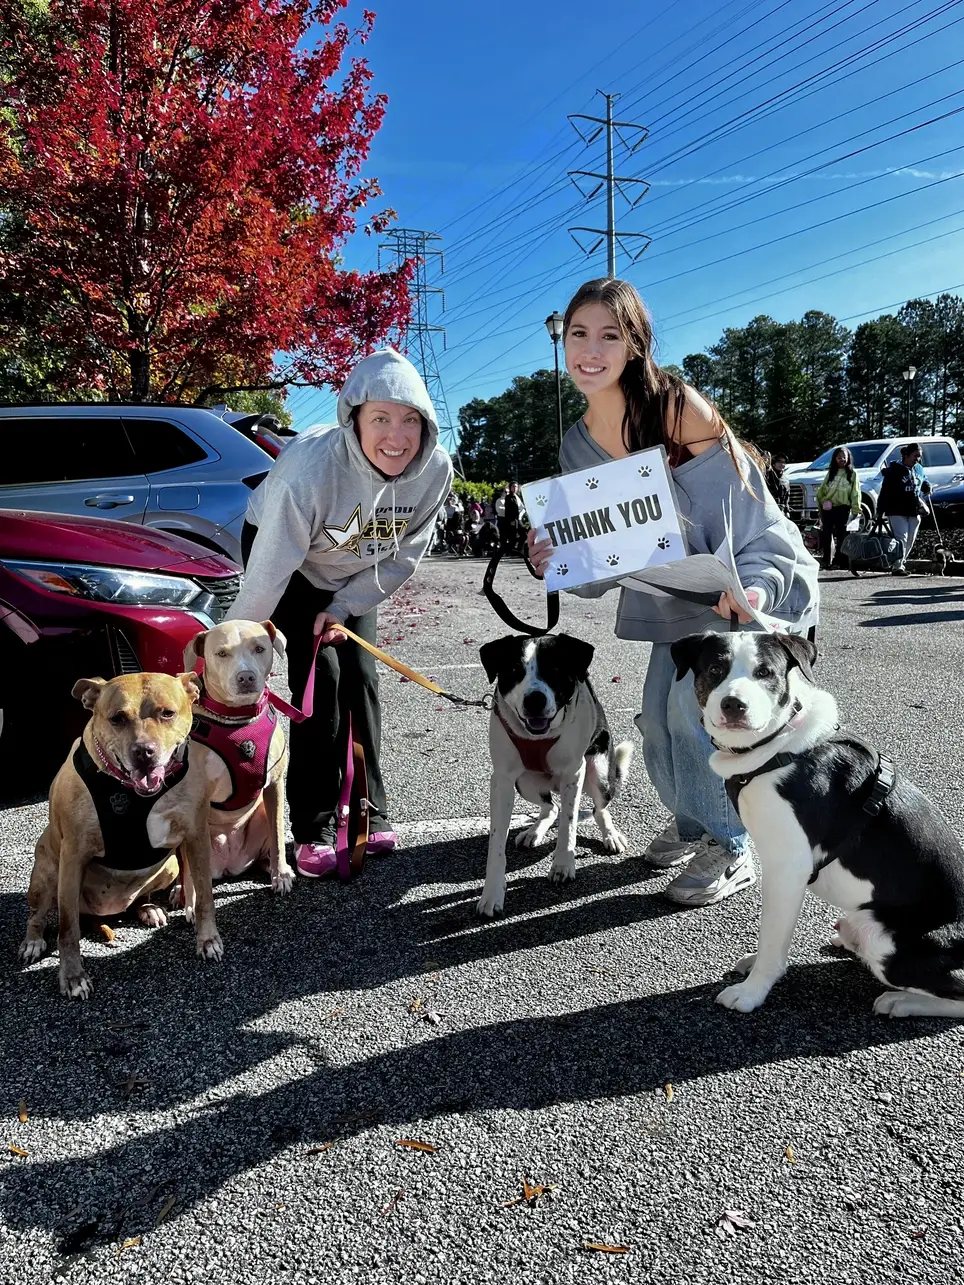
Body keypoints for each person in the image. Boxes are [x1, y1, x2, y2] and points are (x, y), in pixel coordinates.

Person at [527, 278, 819, 908]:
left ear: (635, 344)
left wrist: (757, 588)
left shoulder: (678, 408)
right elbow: (601, 572)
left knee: (696, 714)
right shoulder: (576, 444)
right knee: (657, 723)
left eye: (610, 335)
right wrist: (555, 557)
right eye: (578, 334)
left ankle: (731, 844)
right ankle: (694, 823)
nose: (591, 350)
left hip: (750, 582)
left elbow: (753, 519)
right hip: (680, 600)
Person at [226, 349, 453, 877]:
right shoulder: (308, 470)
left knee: (361, 675)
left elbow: (404, 555)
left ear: (427, 424)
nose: (396, 436)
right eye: (380, 418)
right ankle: (314, 826)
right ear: (354, 419)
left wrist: (345, 606)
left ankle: (370, 810)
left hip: (355, 574)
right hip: (291, 563)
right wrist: (235, 651)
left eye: (411, 420)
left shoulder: (435, 471)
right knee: (320, 677)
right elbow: (267, 575)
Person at [878, 442, 932, 576]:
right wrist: (880, 509)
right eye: (915, 455)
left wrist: (927, 485)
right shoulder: (894, 470)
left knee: (910, 539)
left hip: (914, 509)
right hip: (896, 509)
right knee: (902, 538)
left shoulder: (919, 468)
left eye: (919, 456)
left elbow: (923, 479)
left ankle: (900, 563)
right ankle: (897, 567)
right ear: (906, 455)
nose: (918, 459)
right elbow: (885, 491)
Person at [814, 447, 860, 571]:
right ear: (834, 459)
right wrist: (820, 507)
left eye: (844, 457)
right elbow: (821, 491)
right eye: (839, 457)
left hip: (843, 508)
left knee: (842, 536)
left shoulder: (852, 474)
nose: (842, 459)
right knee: (826, 535)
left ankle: (840, 561)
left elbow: (855, 493)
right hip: (828, 509)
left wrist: (856, 509)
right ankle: (826, 560)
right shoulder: (831, 473)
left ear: (848, 458)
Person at [499, 480, 526, 555]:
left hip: (518, 519)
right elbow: (507, 510)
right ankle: (509, 551)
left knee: (524, 535)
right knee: (512, 538)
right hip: (512, 520)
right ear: (510, 488)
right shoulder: (508, 497)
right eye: (513, 487)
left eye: (516, 487)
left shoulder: (517, 497)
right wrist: (510, 521)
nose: (514, 488)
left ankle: (519, 549)